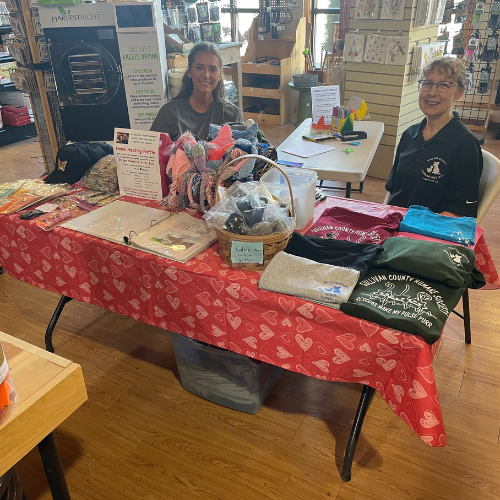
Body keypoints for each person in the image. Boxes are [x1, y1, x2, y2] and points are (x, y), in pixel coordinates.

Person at [384, 57, 483, 218]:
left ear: (459, 92)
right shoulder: (409, 135)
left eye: (443, 85)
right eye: (427, 83)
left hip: (430, 234)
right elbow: (392, 192)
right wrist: (383, 219)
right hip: (394, 225)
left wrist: (407, 229)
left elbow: (458, 213)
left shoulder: (465, 145)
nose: (432, 92)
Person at [151, 42, 243, 140]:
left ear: (219, 74)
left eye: (213, 69)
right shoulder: (169, 113)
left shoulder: (233, 115)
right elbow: (152, 152)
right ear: (189, 71)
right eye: (199, 68)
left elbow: (243, 152)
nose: (206, 75)